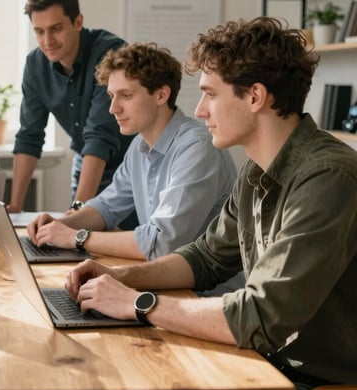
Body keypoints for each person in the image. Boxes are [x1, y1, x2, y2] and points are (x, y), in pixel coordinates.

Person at [65, 17, 357, 390]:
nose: (200, 110)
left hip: (313, 387)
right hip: (260, 362)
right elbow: (205, 258)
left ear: (255, 96)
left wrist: (137, 303)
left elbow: (261, 315)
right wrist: (122, 278)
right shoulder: (257, 169)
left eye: (210, 94)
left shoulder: (328, 177)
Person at [27, 42, 238, 269]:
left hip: (206, 294)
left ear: (161, 95)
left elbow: (162, 242)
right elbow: (106, 208)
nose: (113, 108)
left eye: (125, 95)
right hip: (165, 278)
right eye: (111, 96)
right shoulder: (139, 145)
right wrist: (59, 225)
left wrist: (75, 237)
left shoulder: (197, 147)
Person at [10, 0, 134, 225]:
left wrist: (77, 213)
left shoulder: (110, 53)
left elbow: (99, 136)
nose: (48, 41)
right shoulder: (35, 65)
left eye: (56, 29)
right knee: (79, 239)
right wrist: (15, 207)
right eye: (39, 31)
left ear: (78, 22)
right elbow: (29, 135)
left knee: (121, 240)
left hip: (129, 165)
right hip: (86, 160)